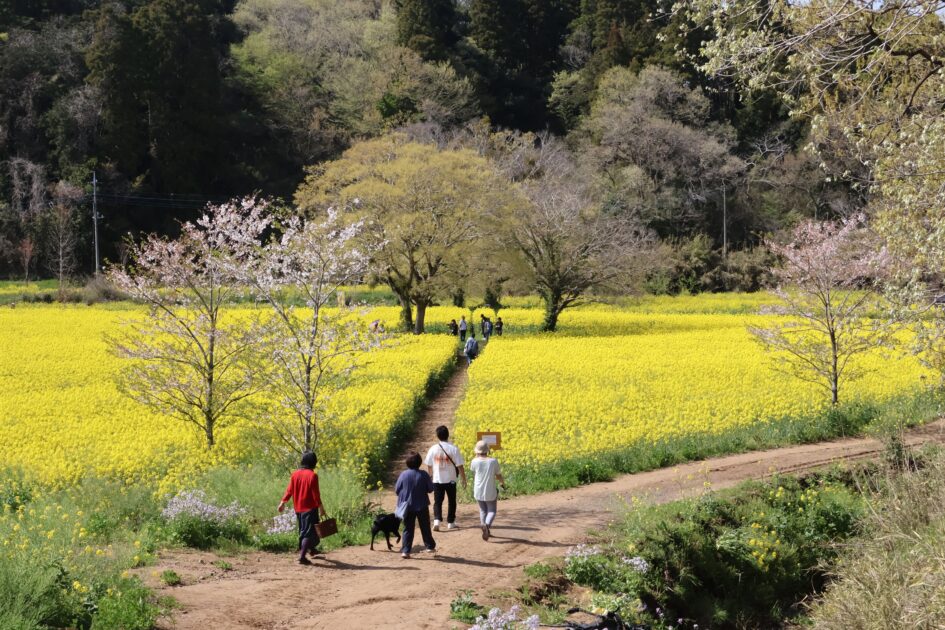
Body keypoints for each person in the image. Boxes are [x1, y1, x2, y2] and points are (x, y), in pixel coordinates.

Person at [278, 451, 328, 565]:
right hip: (310, 508)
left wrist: (282, 502)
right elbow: (316, 495)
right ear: (313, 462)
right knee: (307, 533)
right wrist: (321, 508)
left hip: (298, 509)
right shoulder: (313, 475)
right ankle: (302, 557)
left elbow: (289, 490)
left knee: (309, 529)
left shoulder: (295, 474)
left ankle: (312, 549)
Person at [424, 425, 467, 532]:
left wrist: (430, 476)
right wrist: (463, 479)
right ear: (448, 435)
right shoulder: (453, 448)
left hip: (437, 479)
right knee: (452, 501)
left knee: (437, 501)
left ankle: (436, 521)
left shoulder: (433, 448)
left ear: (437, 436)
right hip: (451, 479)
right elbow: (460, 465)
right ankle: (451, 522)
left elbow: (429, 464)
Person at [394, 452, 436, 559]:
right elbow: (430, 489)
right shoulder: (424, 474)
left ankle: (406, 551)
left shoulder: (403, 474)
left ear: (407, 462)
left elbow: (397, 490)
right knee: (425, 526)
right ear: (420, 462)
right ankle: (430, 546)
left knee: (408, 528)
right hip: (422, 504)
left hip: (407, 507)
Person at [469, 440, 505, 541]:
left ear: (477, 451)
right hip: (490, 490)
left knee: (482, 510)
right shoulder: (493, 461)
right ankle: (487, 525)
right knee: (492, 510)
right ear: (487, 450)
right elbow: (498, 475)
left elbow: (474, 473)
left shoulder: (474, 461)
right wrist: (502, 483)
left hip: (478, 489)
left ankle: (484, 528)